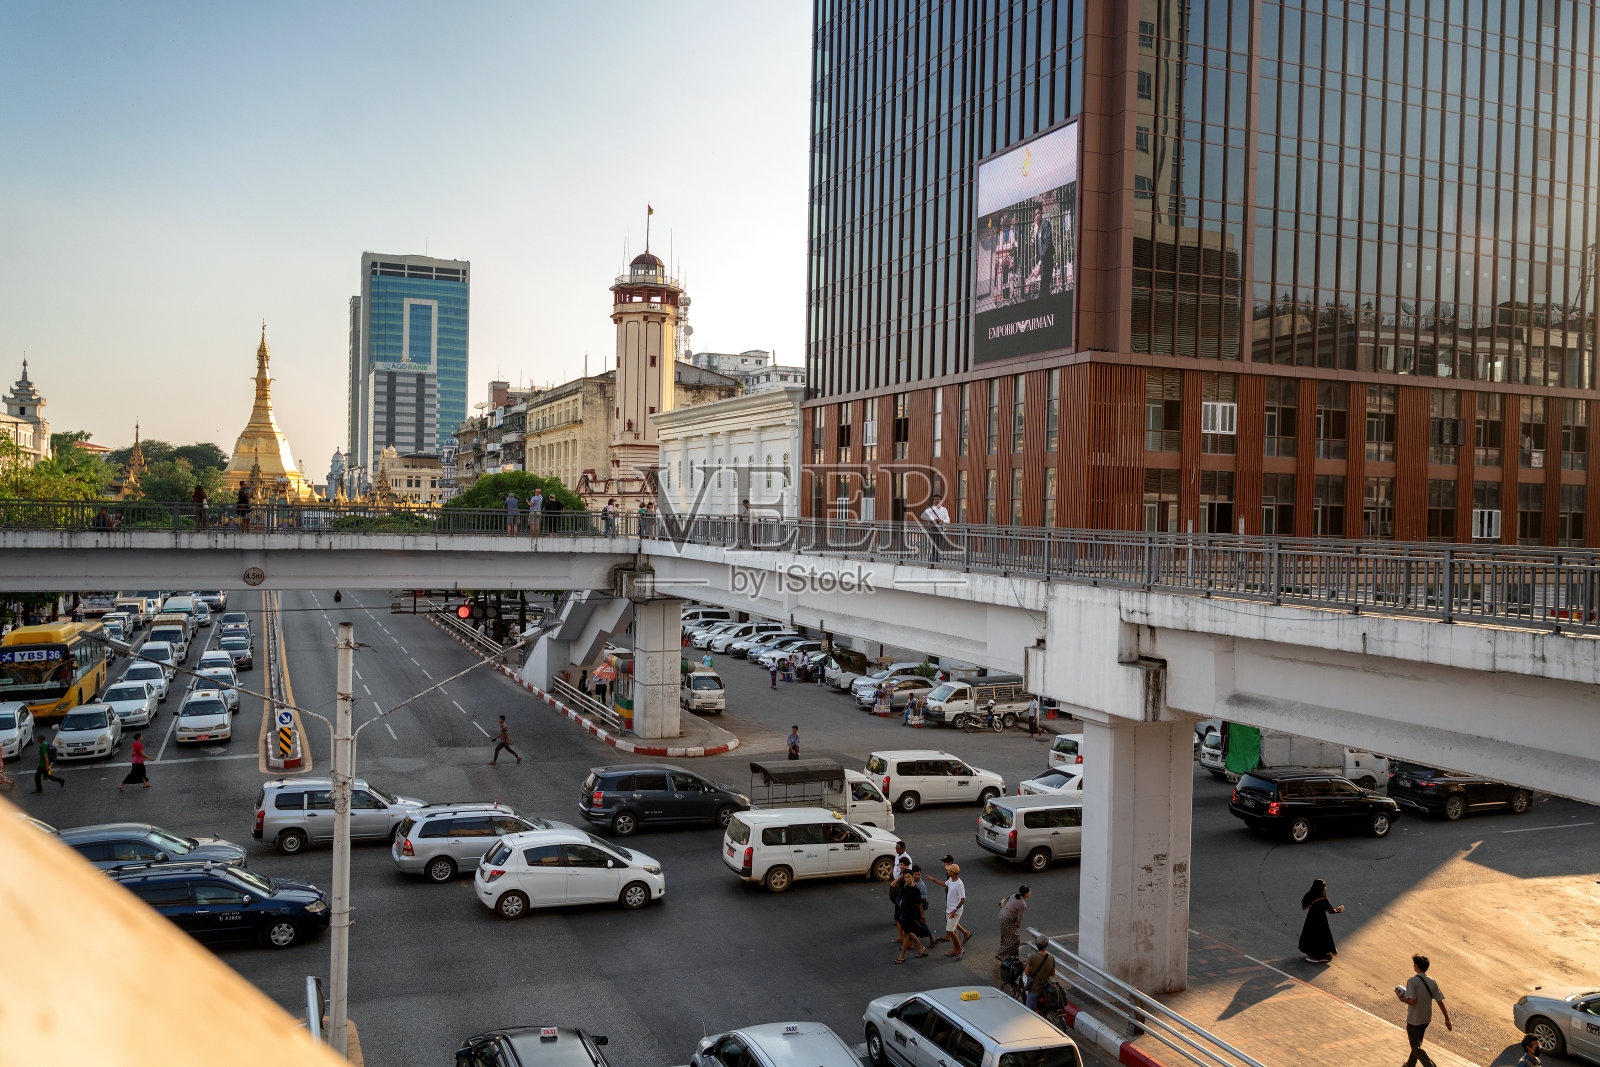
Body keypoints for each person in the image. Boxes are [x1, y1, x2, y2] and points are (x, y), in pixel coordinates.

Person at [1396, 954, 1451, 1067]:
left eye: (1414, 964)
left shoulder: (1412, 981)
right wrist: (1447, 1019)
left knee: (1415, 1047)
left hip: (1414, 1019)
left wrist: (1402, 999)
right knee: (1417, 1043)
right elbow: (1439, 1001)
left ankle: (1430, 1065)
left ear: (1416, 966)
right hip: (1426, 1018)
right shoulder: (1432, 981)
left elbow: (1412, 1001)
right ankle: (1410, 1064)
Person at [1299, 878, 1343, 963]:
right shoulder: (1323, 899)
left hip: (1310, 919)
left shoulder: (1309, 894)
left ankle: (1310, 954)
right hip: (1320, 921)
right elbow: (1331, 911)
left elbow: (1304, 905)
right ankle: (1317, 957)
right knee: (1321, 937)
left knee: (1310, 935)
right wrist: (1338, 910)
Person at [997, 885, 1030, 960]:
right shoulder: (1022, 904)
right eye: (1029, 891)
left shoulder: (1014, 895)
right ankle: (1001, 954)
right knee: (1016, 940)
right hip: (1008, 919)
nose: (1030, 893)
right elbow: (1019, 918)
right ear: (1025, 894)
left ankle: (1014, 956)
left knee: (1005, 934)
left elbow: (1005, 900)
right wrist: (1018, 925)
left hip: (1002, 914)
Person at [1023, 937, 1056, 1012]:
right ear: (1046, 945)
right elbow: (1052, 974)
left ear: (1037, 945)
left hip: (1034, 990)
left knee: (1029, 1012)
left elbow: (1026, 973)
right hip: (1046, 990)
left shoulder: (1032, 957)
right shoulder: (1051, 957)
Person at [1033, 203, 1055, 298]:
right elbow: (1040, 251)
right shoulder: (1038, 232)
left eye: (1038, 213)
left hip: (1047, 262)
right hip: (1043, 265)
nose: (1037, 216)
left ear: (1041, 214)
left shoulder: (1045, 224)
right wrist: (1038, 265)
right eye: (1035, 215)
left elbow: (1047, 243)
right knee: (1045, 291)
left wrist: (1039, 264)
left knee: (1043, 291)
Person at [920, 495, 950, 563]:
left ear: (941, 500)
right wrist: (932, 519)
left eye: (938, 499)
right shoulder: (930, 509)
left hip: (941, 529)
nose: (936, 500)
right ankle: (935, 562)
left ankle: (932, 561)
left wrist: (942, 520)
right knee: (934, 546)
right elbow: (922, 516)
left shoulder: (944, 509)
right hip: (932, 529)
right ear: (933, 500)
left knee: (938, 546)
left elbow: (948, 520)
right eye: (935, 499)